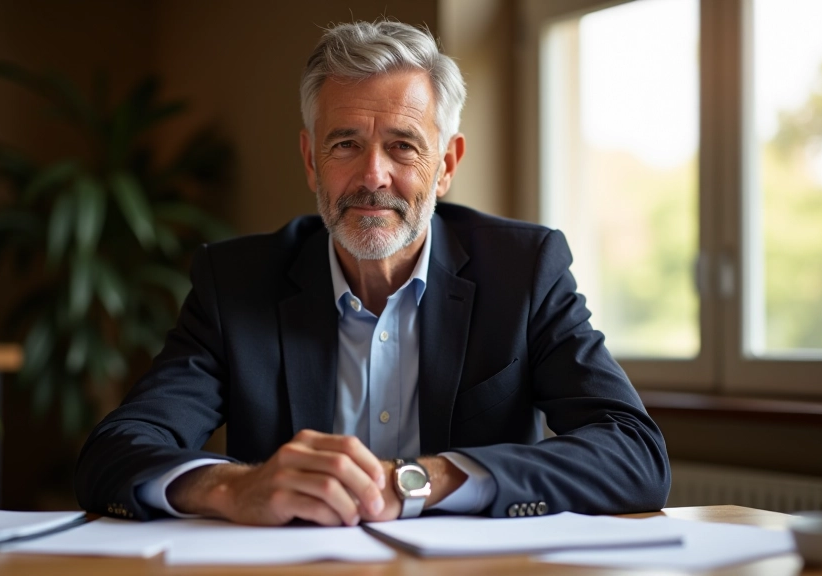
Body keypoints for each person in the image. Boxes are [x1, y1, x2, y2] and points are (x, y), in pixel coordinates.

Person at [75, 20, 670, 526]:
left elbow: (634, 454)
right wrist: (233, 488)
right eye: (345, 144)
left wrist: (422, 480)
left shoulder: (523, 270)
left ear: (446, 165)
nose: (372, 176)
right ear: (311, 160)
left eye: (404, 146)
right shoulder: (236, 283)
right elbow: (114, 452)